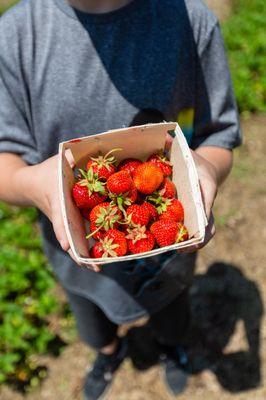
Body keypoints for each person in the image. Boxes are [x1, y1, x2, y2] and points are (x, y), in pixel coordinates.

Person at [0, 0, 241, 399]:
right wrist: (33, 183)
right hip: (80, 252)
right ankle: (109, 354)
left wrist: (208, 169)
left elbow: (220, 135)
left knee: (172, 316)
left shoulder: (191, 23)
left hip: (169, 256)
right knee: (94, 326)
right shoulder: (15, 36)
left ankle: (169, 349)